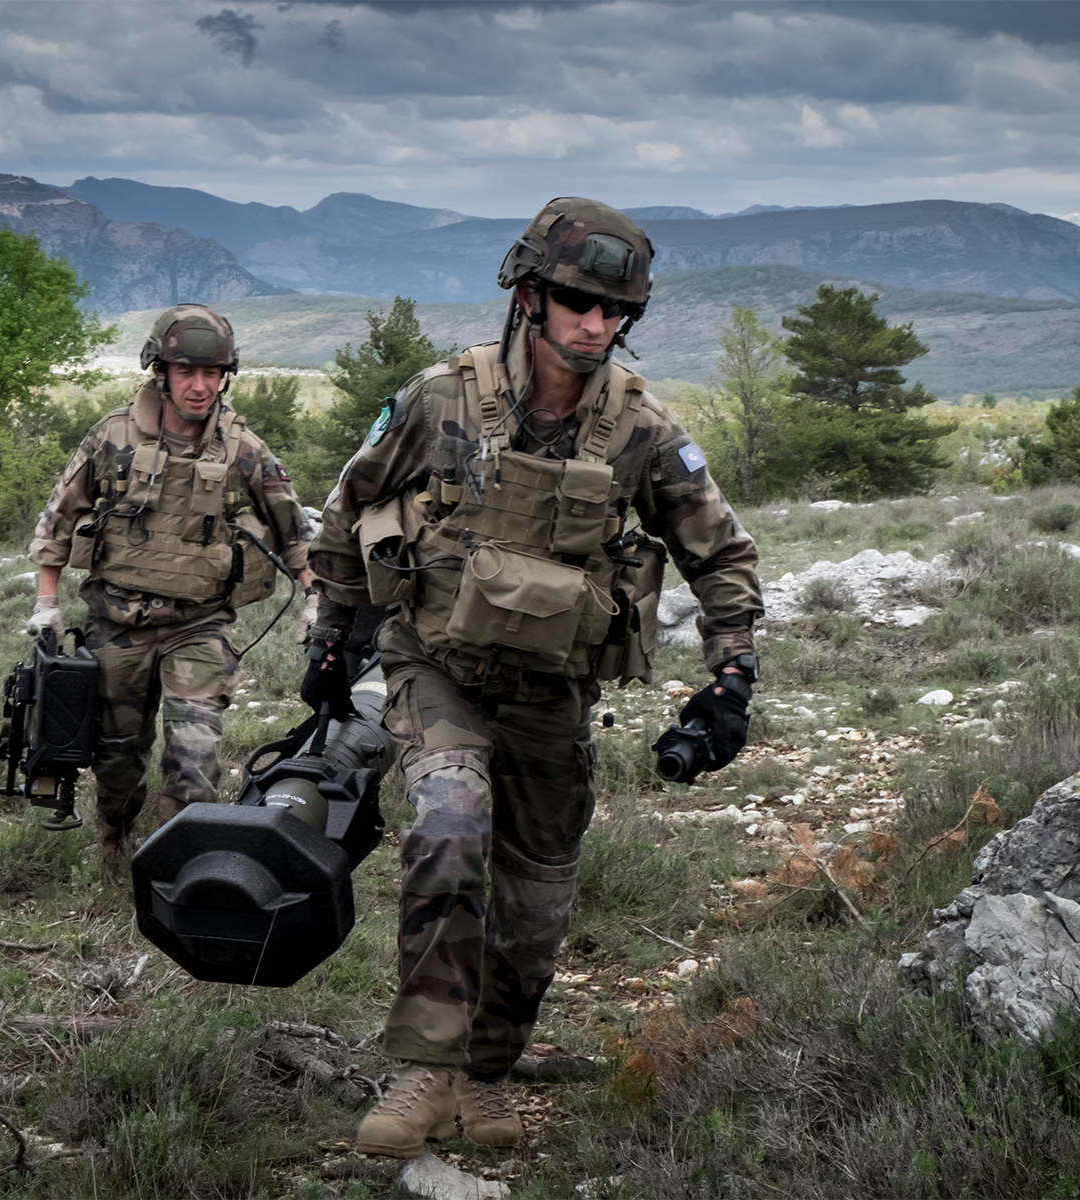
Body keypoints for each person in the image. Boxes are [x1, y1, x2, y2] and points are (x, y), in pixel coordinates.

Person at [301, 198, 763, 1157]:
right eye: (575, 301)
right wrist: (333, 635)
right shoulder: (441, 399)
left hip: (552, 692)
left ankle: (489, 1070)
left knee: (537, 898)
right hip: (437, 668)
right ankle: (425, 1068)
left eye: (614, 310)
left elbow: (718, 555)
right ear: (528, 294)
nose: (595, 325)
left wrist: (733, 675)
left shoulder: (640, 429)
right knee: (450, 825)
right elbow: (348, 508)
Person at [27, 304, 314, 880]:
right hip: (118, 621)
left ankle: (174, 871)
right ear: (161, 370)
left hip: (199, 625)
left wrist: (315, 598)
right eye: (187, 372)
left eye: (213, 374)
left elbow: (294, 532)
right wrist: (47, 601)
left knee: (195, 756)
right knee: (118, 757)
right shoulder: (113, 435)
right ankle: (114, 839)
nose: (201, 385)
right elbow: (59, 518)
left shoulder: (243, 450)